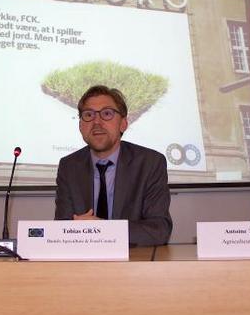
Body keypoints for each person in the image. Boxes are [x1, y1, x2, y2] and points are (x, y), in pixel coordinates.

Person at [54, 85, 172, 246]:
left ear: (123, 124)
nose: (97, 122)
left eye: (107, 114)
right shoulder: (69, 166)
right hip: (83, 264)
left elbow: (159, 230)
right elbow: (61, 228)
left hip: (133, 264)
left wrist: (104, 230)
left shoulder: (150, 163)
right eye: (88, 115)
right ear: (81, 126)